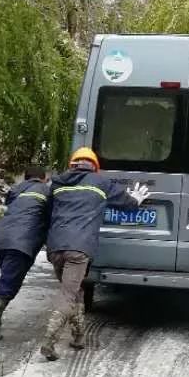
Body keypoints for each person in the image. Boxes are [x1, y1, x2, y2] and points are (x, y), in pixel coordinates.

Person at [39, 147, 149, 361]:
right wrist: (135, 199)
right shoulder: (100, 182)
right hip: (79, 249)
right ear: (94, 167)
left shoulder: (58, 183)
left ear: (72, 164)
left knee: (76, 290)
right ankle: (49, 341)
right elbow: (127, 204)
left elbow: (46, 211)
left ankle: (79, 337)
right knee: (69, 294)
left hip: (55, 248)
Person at [0, 165, 51, 341]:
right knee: (8, 285)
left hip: (0, 238)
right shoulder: (46, 191)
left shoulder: (17, 190)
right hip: (21, 241)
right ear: (44, 178)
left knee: (6, 281)